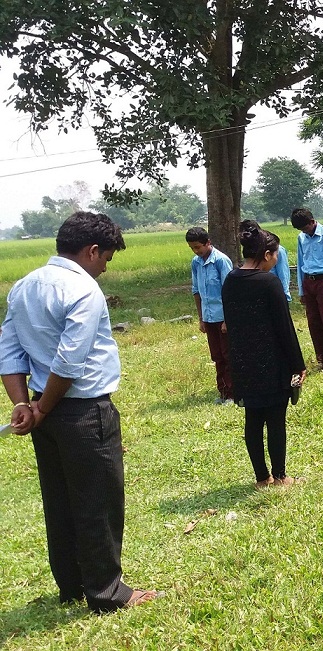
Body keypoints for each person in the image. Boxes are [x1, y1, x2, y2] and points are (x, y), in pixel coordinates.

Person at [0, 211, 160, 612]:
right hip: (83, 410)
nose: (104, 268)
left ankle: (71, 584)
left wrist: (25, 404)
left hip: (45, 412)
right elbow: (69, 363)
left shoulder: (22, 287)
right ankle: (108, 592)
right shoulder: (82, 290)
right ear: (91, 251)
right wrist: (39, 406)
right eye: (105, 258)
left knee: (60, 500)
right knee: (97, 501)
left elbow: (9, 353)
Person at [223, 222, 307, 489]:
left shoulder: (230, 281)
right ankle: (281, 476)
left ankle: (261, 478)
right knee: (275, 420)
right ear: (267, 254)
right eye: (276, 253)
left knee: (253, 420)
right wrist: (298, 364)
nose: (277, 258)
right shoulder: (268, 282)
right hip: (272, 363)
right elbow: (284, 327)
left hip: (243, 362)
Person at [186, 226, 234, 404]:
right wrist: (201, 318)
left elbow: (229, 292)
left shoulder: (221, 261)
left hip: (223, 317)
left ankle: (232, 393)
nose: (196, 251)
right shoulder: (195, 263)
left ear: (208, 243)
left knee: (228, 355)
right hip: (208, 316)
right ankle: (222, 392)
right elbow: (196, 291)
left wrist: (227, 319)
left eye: (198, 247)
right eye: (192, 248)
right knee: (217, 356)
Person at [292, 207, 323, 371]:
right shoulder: (301, 237)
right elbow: (300, 263)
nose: (304, 231)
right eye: (301, 230)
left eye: (306, 228)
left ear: (312, 222)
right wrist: (301, 290)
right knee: (313, 322)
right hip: (308, 282)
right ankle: (321, 359)